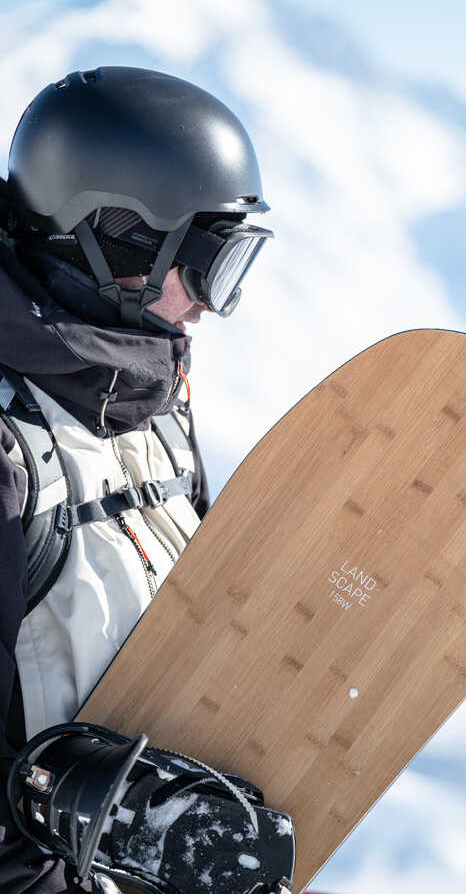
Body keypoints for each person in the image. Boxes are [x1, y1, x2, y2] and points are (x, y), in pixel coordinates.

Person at [0, 66, 292, 893]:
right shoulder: (12, 459)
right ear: (118, 243)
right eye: (210, 263)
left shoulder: (150, 408)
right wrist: (68, 801)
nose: (211, 307)